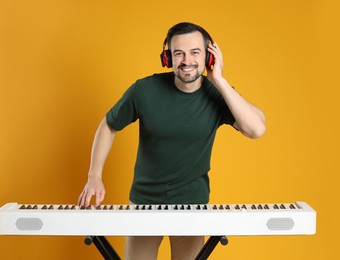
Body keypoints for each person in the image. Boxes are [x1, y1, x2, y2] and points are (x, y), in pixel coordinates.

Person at [77, 22, 266, 260]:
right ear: (168, 58)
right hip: (144, 204)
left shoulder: (217, 94)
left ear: (209, 56)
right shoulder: (144, 90)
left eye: (195, 52)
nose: (187, 60)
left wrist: (219, 80)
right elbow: (108, 125)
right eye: (179, 53)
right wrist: (94, 176)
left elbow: (256, 128)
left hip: (192, 206)